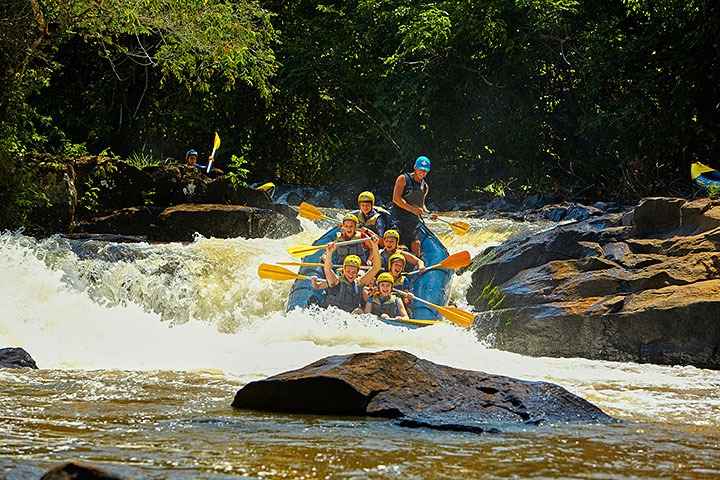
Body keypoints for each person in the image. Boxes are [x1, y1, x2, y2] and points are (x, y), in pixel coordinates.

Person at [310, 234, 381, 313]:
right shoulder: (335, 281)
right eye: (348, 271)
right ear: (344, 270)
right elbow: (327, 269)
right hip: (332, 315)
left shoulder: (360, 282)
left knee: (359, 311)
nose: (351, 274)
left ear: (357, 272)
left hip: (349, 317)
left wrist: (375, 246)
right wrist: (329, 252)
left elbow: (376, 268)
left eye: (354, 272)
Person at [391, 156, 438, 257]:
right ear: (415, 168)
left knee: (416, 244)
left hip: (412, 218)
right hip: (398, 216)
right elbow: (396, 199)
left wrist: (429, 213)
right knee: (393, 239)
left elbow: (421, 205)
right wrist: (412, 209)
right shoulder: (403, 179)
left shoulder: (425, 187)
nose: (422, 172)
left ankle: (416, 266)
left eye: (425, 170)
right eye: (420, 169)